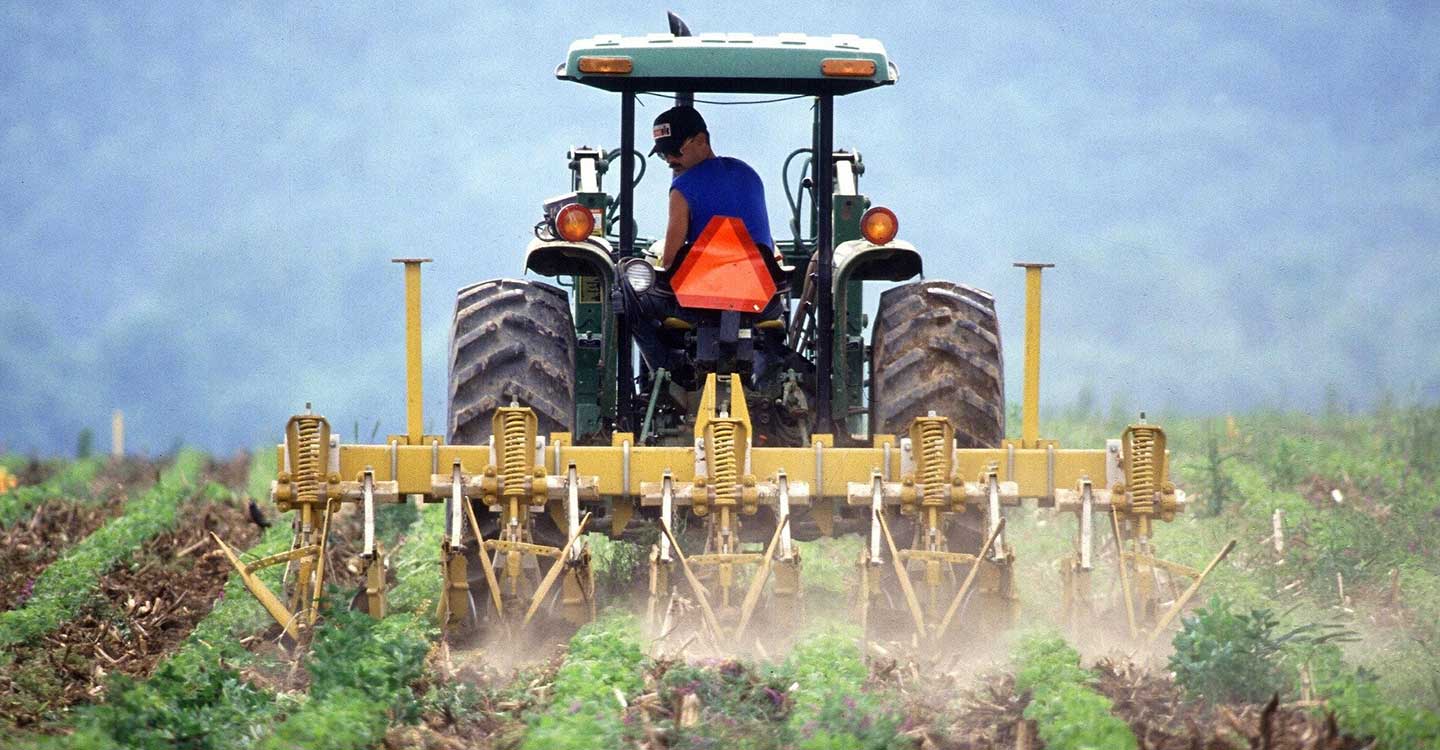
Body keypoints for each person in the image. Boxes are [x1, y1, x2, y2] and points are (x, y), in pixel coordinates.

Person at [623, 105, 785, 384]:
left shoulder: (682, 188)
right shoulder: (749, 175)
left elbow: (671, 260)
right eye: (663, 154)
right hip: (762, 301)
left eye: (675, 151)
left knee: (624, 289)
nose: (670, 160)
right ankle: (770, 375)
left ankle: (671, 373)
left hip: (699, 307)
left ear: (701, 140)